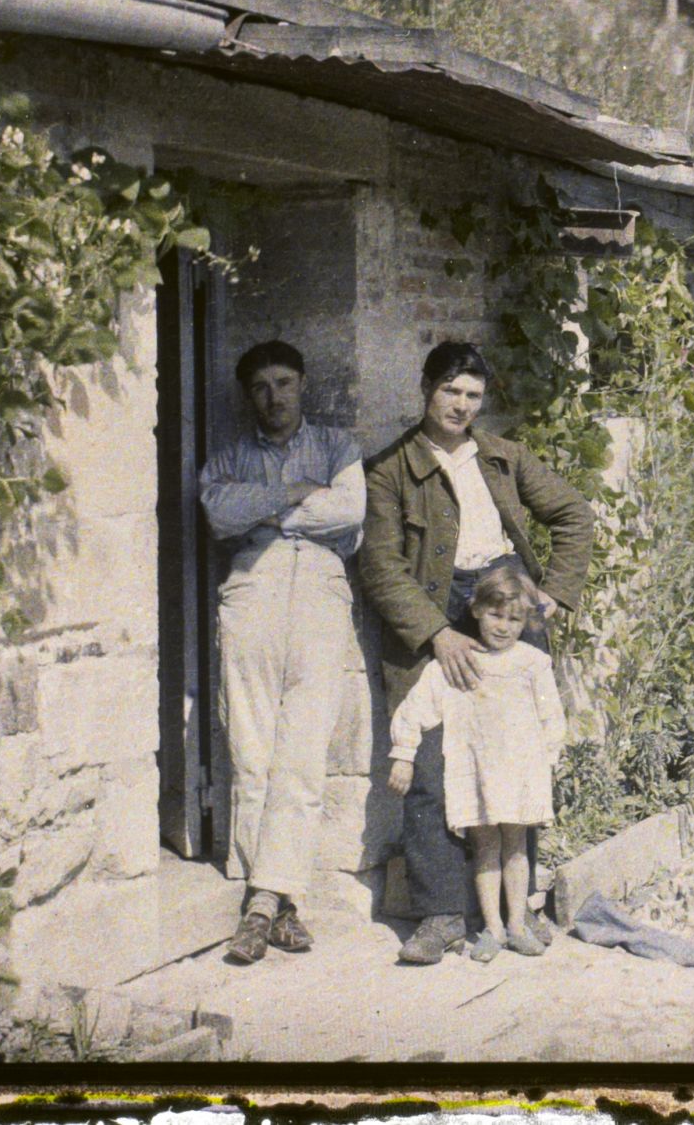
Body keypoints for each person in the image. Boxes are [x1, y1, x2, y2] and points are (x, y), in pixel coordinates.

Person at [361, 340, 596, 966]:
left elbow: (574, 513)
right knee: (433, 765)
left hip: (503, 603)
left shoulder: (502, 457)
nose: (461, 406)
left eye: (472, 396)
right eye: (450, 392)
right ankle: (441, 914)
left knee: (519, 759)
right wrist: (436, 633)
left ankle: (517, 912)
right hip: (434, 611)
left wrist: (554, 595)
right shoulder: (390, 469)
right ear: (426, 389)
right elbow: (381, 565)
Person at [198, 340, 366, 965]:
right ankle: (274, 900)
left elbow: (349, 511)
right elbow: (219, 512)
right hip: (252, 593)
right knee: (251, 745)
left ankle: (262, 904)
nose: (275, 397)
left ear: (303, 385)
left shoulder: (336, 448)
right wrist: (297, 493)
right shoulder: (231, 455)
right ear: (250, 396)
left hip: (320, 594)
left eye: (285, 383)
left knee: (301, 749)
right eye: (262, 386)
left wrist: (268, 511)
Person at [386, 565, 568, 962]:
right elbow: (416, 709)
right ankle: (493, 929)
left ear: (526, 622)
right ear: (475, 610)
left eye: (515, 619)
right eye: (495, 615)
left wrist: (549, 759)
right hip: (477, 773)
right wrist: (403, 755)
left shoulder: (532, 663)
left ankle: (518, 924)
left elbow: (551, 716)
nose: (503, 627)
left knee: (516, 847)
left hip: (519, 770)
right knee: (486, 848)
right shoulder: (457, 662)